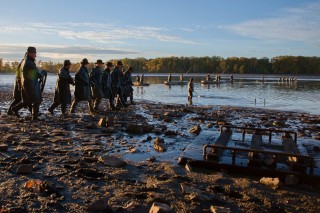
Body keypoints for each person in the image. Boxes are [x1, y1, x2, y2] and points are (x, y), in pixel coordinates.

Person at [11, 47, 44, 120]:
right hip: (31, 84)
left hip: (27, 84)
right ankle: (35, 117)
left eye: (35, 53)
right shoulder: (28, 62)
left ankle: (15, 109)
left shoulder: (25, 61)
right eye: (34, 53)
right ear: (30, 53)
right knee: (37, 100)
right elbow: (35, 73)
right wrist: (41, 74)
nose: (35, 55)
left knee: (26, 101)